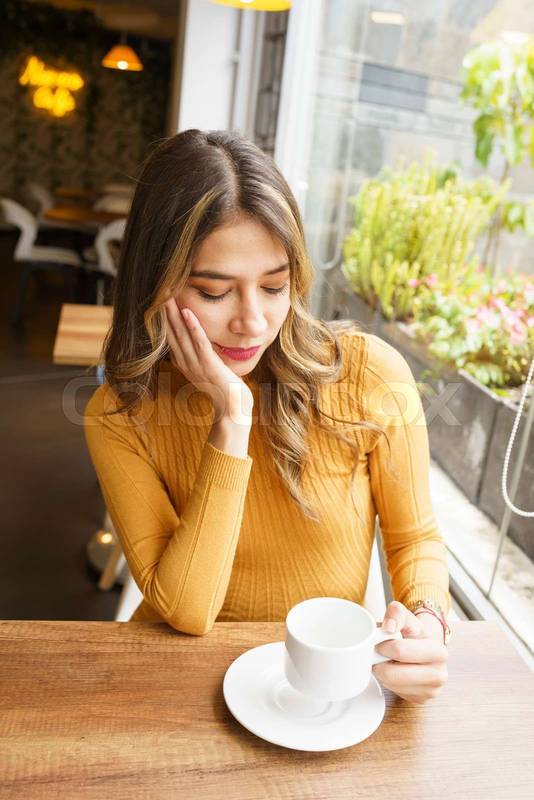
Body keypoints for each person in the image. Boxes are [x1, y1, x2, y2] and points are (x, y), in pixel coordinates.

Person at [84, 129, 450, 705]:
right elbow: (186, 609)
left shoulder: (369, 374)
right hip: (178, 684)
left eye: (274, 286)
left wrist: (428, 622)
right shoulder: (119, 413)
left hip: (318, 686)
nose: (253, 321)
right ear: (154, 282)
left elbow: (415, 537)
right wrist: (232, 416)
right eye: (213, 292)